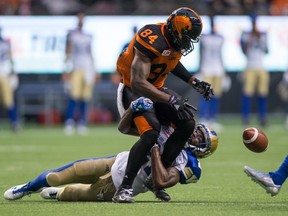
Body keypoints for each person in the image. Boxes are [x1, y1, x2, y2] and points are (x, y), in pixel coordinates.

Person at [4, 98, 219, 202]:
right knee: (57, 175)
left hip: (120, 185)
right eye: (198, 131)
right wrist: (131, 109)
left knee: (73, 193)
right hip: (117, 161)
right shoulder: (168, 129)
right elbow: (123, 128)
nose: (195, 135)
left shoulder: (190, 165)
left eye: (201, 138)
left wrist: (155, 151)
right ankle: (28, 187)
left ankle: (58, 194)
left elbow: (162, 181)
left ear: (203, 150)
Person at [114, 7, 214, 203]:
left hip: (156, 89)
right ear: (176, 29)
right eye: (187, 36)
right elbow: (138, 82)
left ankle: (154, 179)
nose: (188, 42)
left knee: (187, 122)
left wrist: (195, 82)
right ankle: (124, 188)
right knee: (151, 132)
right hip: (133, 91)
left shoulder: (173, 43)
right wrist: (169, 99)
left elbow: (170, 61)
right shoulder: (151, 37)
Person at [62, 12, 97, 135]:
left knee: (85, 96)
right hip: (76, 67)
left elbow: (91, 52)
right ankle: (70, 121)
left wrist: (94, 69)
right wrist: (66, 68)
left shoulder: (88, 35)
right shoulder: (72, 34)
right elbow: (68, 50)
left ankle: (82, 122)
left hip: (87, 67)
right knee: (73, 95)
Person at [197, 16, 227, 131]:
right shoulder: (204, 37)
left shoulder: (220, 37)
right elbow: (200, 53)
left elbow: (221, 54)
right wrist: (200, 69)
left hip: (218, 69)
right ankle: (203, 118)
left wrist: (224, 70)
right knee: (205, 95)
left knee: (216, 96)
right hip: (206, 69)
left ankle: (212, 119)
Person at [240, 14, 269, 127]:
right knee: (247, 94)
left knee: (262, 94)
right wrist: (251, 39)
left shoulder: (263, 35)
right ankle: (246, 118)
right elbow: (243, 50)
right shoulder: (245, 34)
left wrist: (260, 39)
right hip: (250, 66)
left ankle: (262, 118)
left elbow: (266, 50)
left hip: (261, 66)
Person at [0, 26, 20, 132]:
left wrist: (13, 71)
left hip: (3, 73)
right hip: (3, 73)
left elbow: (10, 58)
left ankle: (14, 122)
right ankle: (14, 122)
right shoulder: (5, 43)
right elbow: (10, 58)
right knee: (9, 101)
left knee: (9, 101)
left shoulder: (6, 43)